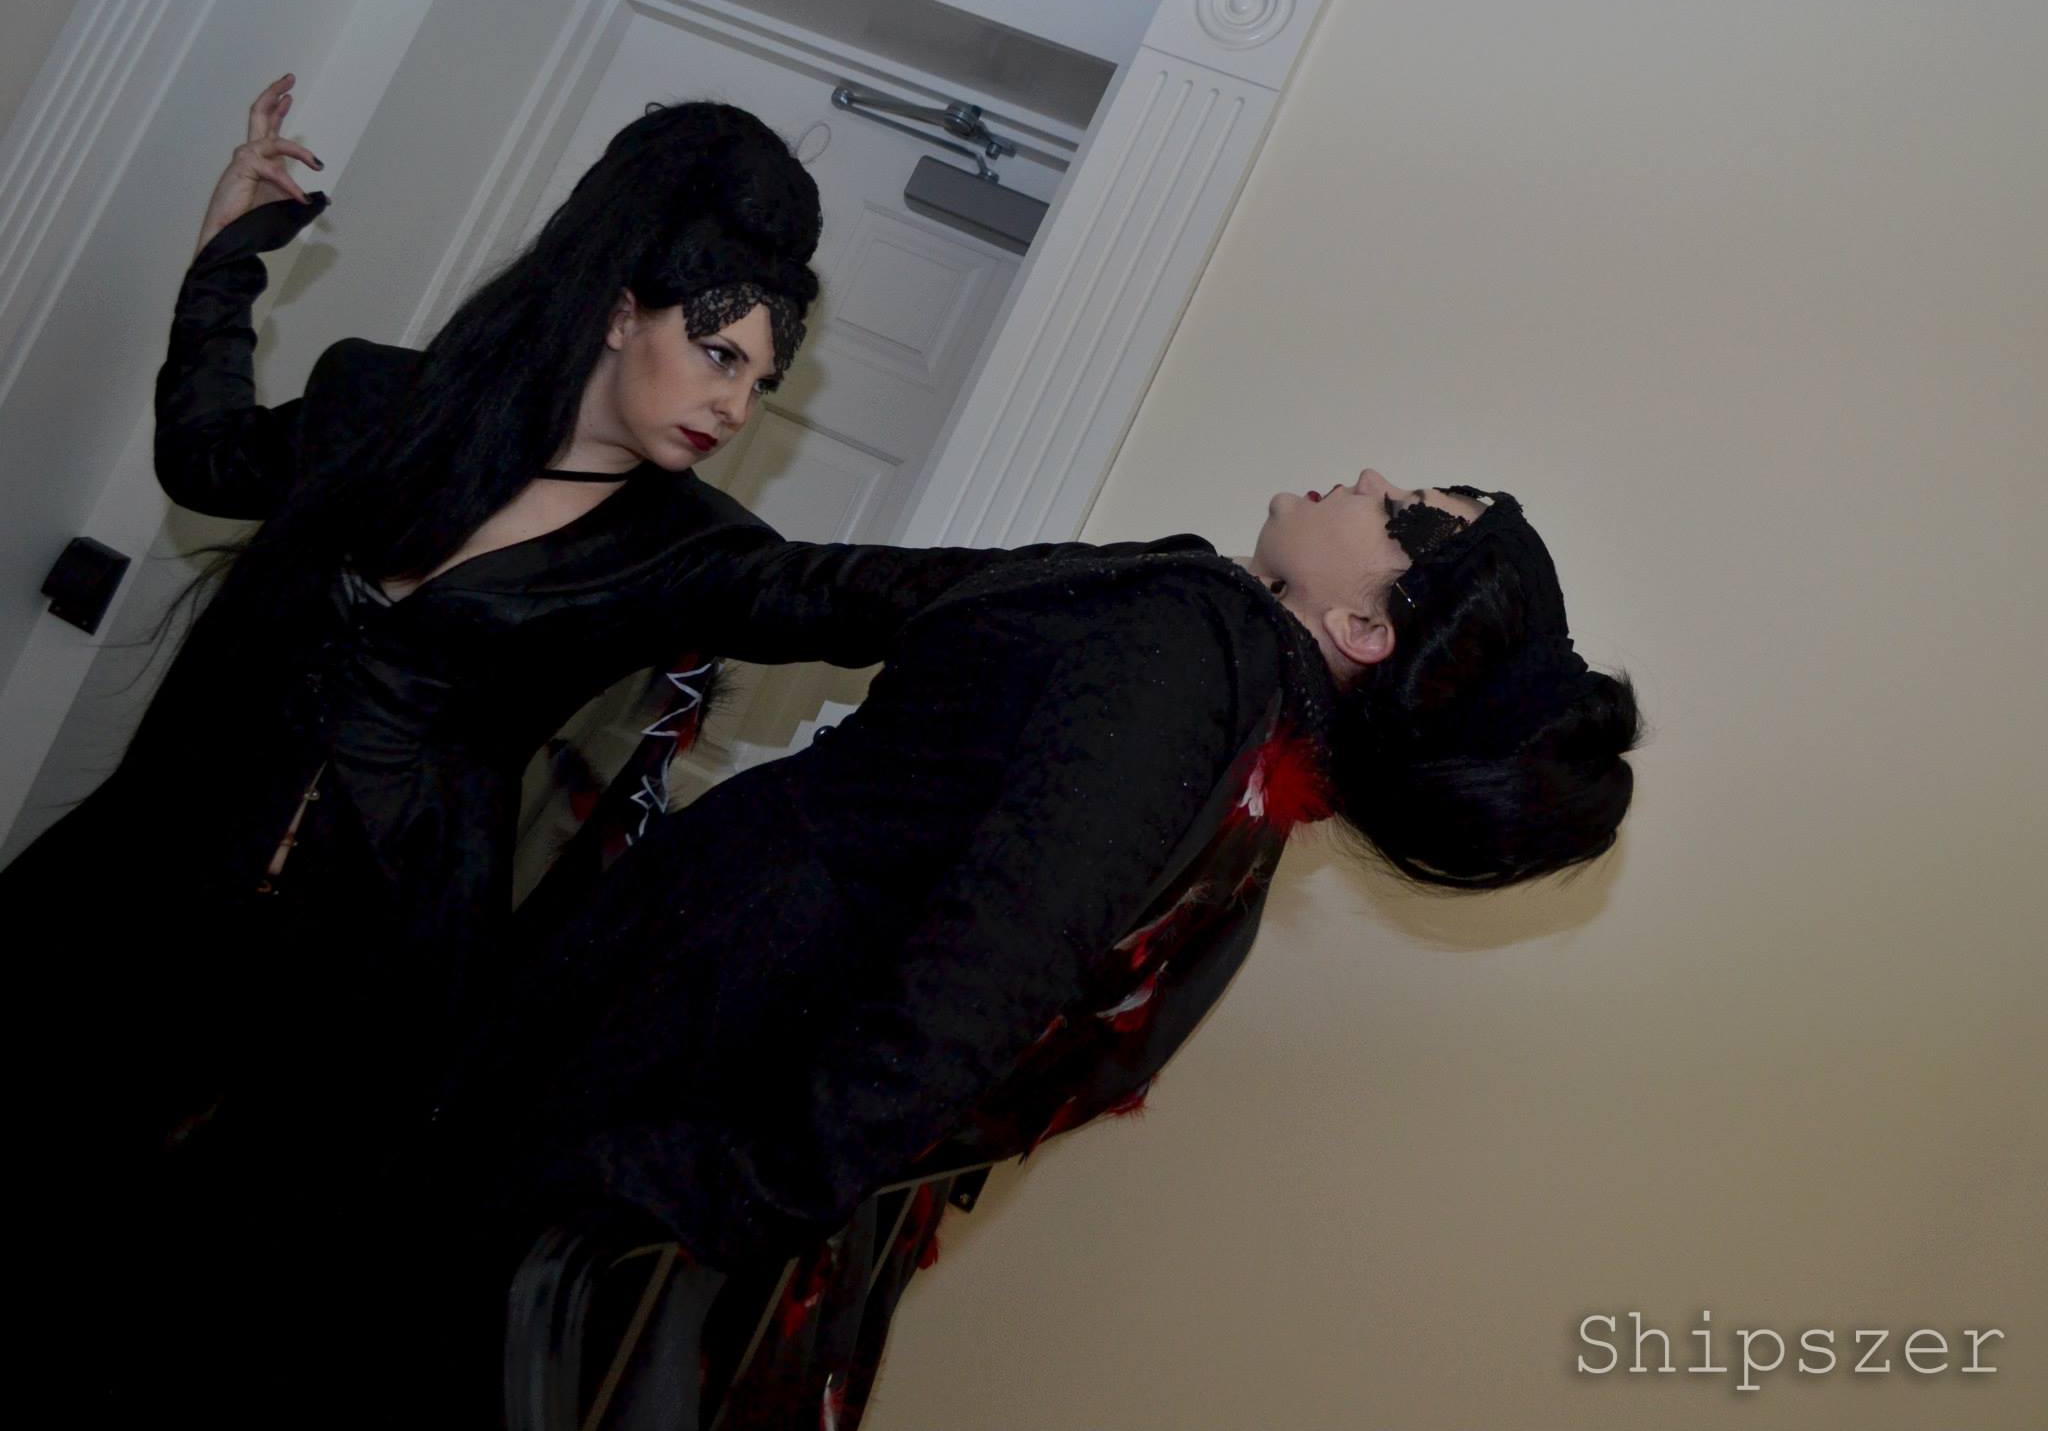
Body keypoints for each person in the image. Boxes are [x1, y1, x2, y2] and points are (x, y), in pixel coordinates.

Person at [0, 78, 1075, 1422]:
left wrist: (1149, 584)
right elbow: (206, 456)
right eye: (718, 353)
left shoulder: (685, 550)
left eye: (761, 380)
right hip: (133, 896)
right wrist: (225, 258)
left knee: (170, 1316)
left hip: (360, 1002)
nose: (736, 404)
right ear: (621, 312)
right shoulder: (379, 401)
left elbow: (866, 592)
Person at [403, 471, 1642, 1427]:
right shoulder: (1212, 659)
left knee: (414, 1322)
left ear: (1363, 627)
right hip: (695, 1007)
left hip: (691, 1032)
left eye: (1402, 511)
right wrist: (555, 561)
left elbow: (984, 975)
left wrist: (726, 1187)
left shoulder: (1192, 655)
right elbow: (863, 590)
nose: (1368, 478)